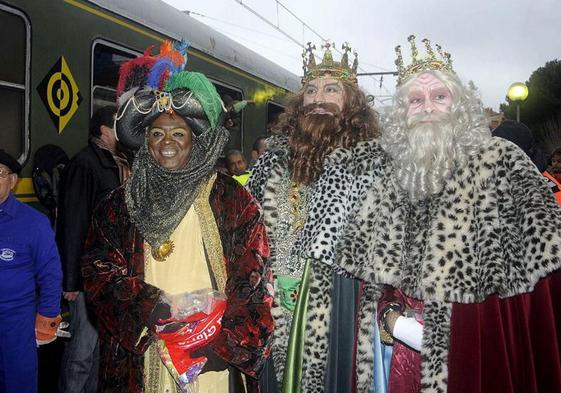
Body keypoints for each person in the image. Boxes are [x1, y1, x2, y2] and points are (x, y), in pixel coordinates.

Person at [337, 36, 561, 393]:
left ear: (459, 105)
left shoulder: (503, 162)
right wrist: (391, 318)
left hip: (484, 354)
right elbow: (374, 277)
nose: (427, 107)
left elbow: (541, 285)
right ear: (402, 114)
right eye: (415, 100)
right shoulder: (388, 177)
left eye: (439, 97)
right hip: (404, 363)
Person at [80, 41, 273, 393]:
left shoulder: (233, 201)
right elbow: (97, 273)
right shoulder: (117, 205)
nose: (166, 142)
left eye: (178, 133)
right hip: (142, 358)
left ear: (195, 140)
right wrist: (148, 307)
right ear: (145, 142)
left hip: (210, 360)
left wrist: (222, 348)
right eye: (156, 133)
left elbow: (255, 286)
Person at [247, 42, 381, 392]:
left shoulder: (372, 162)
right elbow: (247, 229)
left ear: (351, 102)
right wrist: (265, 272)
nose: (318, 98)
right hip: (273, 301)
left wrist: (313, 274)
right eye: (311, 90)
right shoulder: (269, 162)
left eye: (331, 89)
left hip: (339, 300)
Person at [57, 106, 130, 393]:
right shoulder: (85, 165)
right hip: (87, 276)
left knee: (98, 351)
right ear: (103, 131)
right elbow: (73, 223)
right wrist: (71, 280)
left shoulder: (112, 163)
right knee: (81, 352)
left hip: (106, 275)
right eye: (117, 128)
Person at [0, 149, 63, 393]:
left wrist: (47, 320)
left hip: (16, 324)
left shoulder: (33, 223)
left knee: (18, 383)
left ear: (13, 181)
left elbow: (50, 272)